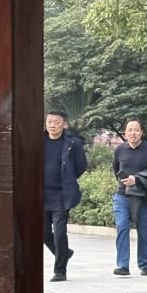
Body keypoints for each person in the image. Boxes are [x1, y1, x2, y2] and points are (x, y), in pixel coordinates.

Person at [111, 117, 147, 276]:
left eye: (136, 130)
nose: (133, 133)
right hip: (122, 195)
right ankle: (123, 265)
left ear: (142, 132)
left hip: (142, 197)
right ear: (125, 133)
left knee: (144, 231)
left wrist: (137, 179)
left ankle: (144, 264)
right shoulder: (119, 150)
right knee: (122, 227)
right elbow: (116, 170)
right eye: (130, 130)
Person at [43, 109, 87, 282]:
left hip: (62, 195)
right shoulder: (39, 141)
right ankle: (64, 253)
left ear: (64, 125)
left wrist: (68, 178)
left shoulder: (72, 143)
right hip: (42, 195)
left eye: (56, 122)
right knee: (43, 232)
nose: (52, 125)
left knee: (60, 232)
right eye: (49, 121)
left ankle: (60, 270)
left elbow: (81, 166)